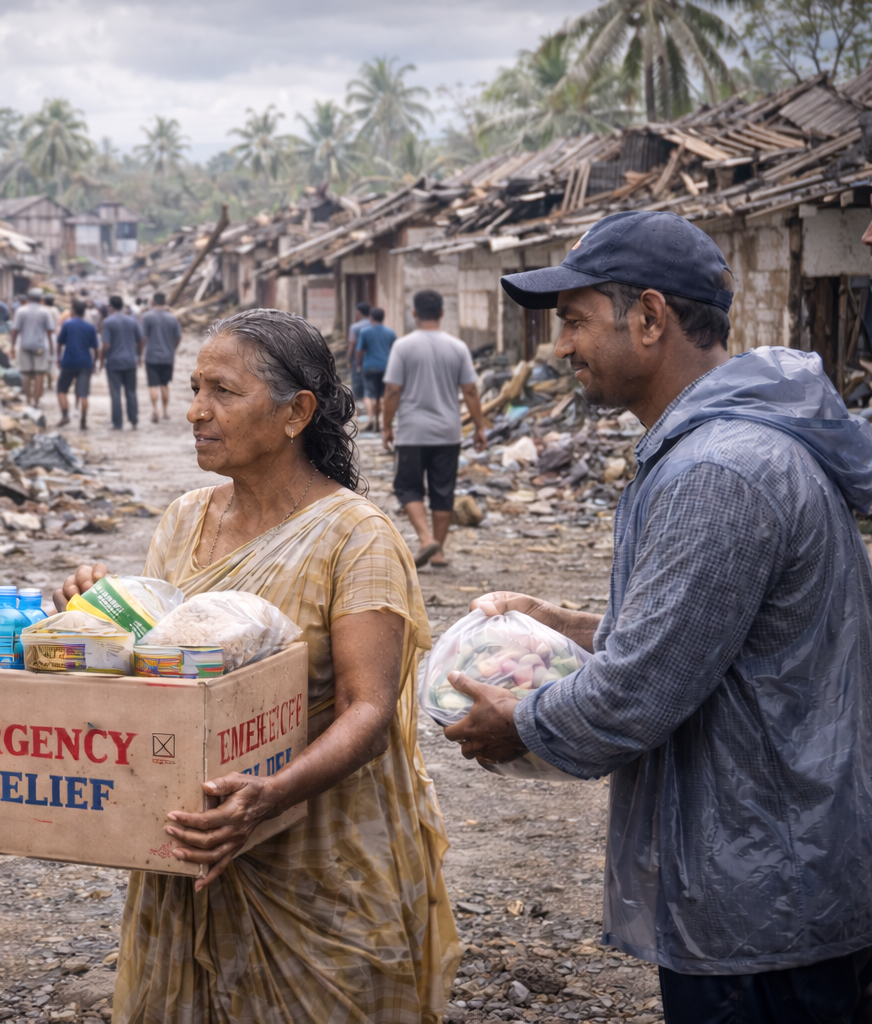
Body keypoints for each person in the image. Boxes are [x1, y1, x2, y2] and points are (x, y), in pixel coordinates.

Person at [444, 210, 872, 1023]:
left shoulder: (720, 471)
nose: (560, 347)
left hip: (766, 893)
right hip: (777, 871)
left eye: (573, 321)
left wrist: (520, 723)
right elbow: (702, 642)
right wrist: (557, 622)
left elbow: (637, 692)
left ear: (649, 317)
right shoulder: (724, 451)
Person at [54, 308, 457, 1022]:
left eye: (222, 392)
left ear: (297, 411)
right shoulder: (184, 521)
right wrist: (95, 614)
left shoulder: (355, 538)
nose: (196, 412)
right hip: (193, 849)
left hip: (315, 860)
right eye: (195, 388)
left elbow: (369, 712)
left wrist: (272, 795)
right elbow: (159, 671)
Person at [380, 289, 487, 568]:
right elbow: (471, 392)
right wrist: (479, 428)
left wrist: (386, 426)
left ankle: (426, 538)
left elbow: (392, 390)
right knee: (443, 489)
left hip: (413, 432)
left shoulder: (403, 347)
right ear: (441, 313)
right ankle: (439, 552)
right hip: (448, 432)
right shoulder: (458, 347)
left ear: (414, 313)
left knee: (407, 487)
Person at [99, 295, 144, 430]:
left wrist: (101, 360)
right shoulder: (132, 320)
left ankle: (117, 423)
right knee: (131, 391)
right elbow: (140, 340)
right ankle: (134, 420)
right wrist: (139, 355)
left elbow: (106, 345)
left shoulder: (108, 322)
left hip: (114, 362)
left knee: (115, 393)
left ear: (110, 307)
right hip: (130, 361)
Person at [55, 298, 99, 430]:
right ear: (84, 312)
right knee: (83, 393)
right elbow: (96, 348)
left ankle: (65, 415)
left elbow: (59, 343)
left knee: (61, 389)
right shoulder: (90, 327)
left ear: (72, 311)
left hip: (68, 361)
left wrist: (59, 358)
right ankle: (83, 421)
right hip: (85, 362)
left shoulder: (67, 325)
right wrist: (95, 362)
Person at [141, 292, 182, 424]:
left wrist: (141, 351)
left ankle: (155, 410)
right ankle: (165, 411)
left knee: (153, 385)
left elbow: (144, 337)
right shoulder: (172, 318)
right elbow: (178, 337)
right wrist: (172, 348)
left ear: (153, 302)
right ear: (165, 303)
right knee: (164, 384)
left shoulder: (147, 317)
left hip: (151, 356)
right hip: (167, 356)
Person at [11, 288, 54, 407]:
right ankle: (37, 401)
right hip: (40, 346)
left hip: (25, 345)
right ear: (41, 299)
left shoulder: (21, 311)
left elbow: (15, 331)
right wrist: (51, 347)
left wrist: (12, 346)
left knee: (26, 374)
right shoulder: (45, 311)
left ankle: (28, 400)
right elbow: (50, 331)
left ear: (28, 298)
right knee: (39, 374)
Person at [356, 307, 396, 431]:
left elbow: (360, 351)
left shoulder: (365, 332)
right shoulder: (390, 332)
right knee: (384, 395)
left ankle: (371, 420)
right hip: (386, 367)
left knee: (369, 394)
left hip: (369, 366)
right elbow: (395, 350)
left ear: (371, 318)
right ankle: (381, 421)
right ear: (383, 318)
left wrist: (359, 364)